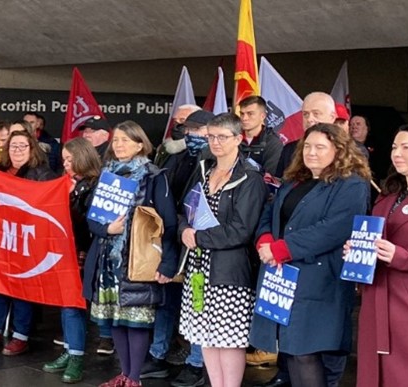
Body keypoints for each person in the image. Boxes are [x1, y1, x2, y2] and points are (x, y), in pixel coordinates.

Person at [251, 123, 371, 387]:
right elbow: (270, 214)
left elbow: (333, 229)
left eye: (320, 147)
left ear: (339, 150)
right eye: (307, 146)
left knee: (304, 353)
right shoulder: (295, 180)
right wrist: (265, 240)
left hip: (320, 281)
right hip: (284, 278)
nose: (311, 152)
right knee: (291, 351)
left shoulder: (351, 184)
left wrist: (281, 249)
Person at [176, 113, 267, 387]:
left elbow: (242, 229)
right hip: (198, 269)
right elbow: (186, 209)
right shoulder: (203, 171)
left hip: (230, 272)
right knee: (204, 335)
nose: (215, 142)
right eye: (211, 136)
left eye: (222, 137)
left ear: (238, 139)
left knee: (228, 340)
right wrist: (184, 231)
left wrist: (199, 237)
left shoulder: (250, 178)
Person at [85, 121, 178, 387]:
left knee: (136, 321)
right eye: (116, 140)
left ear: (140, 144)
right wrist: (107, 228)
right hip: (108, 260)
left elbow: (168, 223)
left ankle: (135, 378)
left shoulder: (154, 176)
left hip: (139, 259)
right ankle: (123, 374)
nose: (119, 145)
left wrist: (168, 263)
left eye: (126, 140)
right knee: (114, 318)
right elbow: (91, 219)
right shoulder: (106, 176)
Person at [352, 122, 408, 386]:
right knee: (373, 374)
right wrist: (359, 250)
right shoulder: (389, 193)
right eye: (394, 147)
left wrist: (401, 256)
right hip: (377, 296)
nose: (397, 153)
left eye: (406, 147)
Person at [143, 111, 213, 387]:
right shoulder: (176, 157)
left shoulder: (215, 163)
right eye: (190, 130)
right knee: (166, 302)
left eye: (200, 131)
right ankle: (157, 355)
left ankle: (196, 363)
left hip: (199, 246)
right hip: (173, 238)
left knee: (197, 305)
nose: (193, 136)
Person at [0, 129, 58, 357]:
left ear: (32, 149)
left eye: (23, 146)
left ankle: (20, 336)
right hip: (2, 237)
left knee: (23, 288)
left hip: (28, 238)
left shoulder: (42, 173)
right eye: (13, 147)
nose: (17, 151)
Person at [42, 137, 102, 383]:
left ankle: (76, 357)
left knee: (74, 304)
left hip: (84, 252)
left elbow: (90, 222)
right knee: (65, 303)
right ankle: (69, 350)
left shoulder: (96, 184)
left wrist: (67, 200)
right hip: (64, 250)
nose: (66, 164)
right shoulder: (67, 182)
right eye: (64, 159)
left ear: (83, 157)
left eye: (70, 159)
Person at [237, 96, 283, 175]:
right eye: (242, 114)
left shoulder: (273, 143)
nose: (244, 118)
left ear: (263, 116)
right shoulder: (232, 137)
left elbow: (270, 177)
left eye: (250, 114)